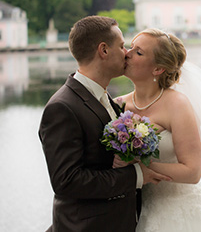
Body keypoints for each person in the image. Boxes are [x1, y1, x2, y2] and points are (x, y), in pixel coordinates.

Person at [39, 16, 170, 232]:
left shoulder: (110, 100)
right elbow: (67, 181)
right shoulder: (62, 107)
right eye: (121, 46)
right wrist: (136, 176)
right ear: (104, 50)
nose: (126, 52)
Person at [114, 28, 201, 232]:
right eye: (130, 47)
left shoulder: (177, 105)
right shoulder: (118, 104)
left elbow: (193, 172)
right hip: (135, 212)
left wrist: (143, 166)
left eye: (138, 52)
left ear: (157, 69)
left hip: (178, 212)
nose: (127, 53)